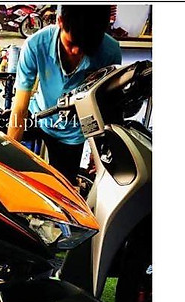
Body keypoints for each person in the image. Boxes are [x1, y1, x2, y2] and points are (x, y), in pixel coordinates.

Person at [7, 5, 121, 185]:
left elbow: (105, 106)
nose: (76, 52)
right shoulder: (35, 45)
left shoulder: (110, 52)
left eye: (86, 47)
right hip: (38, 115)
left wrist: (99, 150)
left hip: (72, 131)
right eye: (72, 43)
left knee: (61, 187)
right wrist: (7, 164)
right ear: (60, 22)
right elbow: (19, 108)